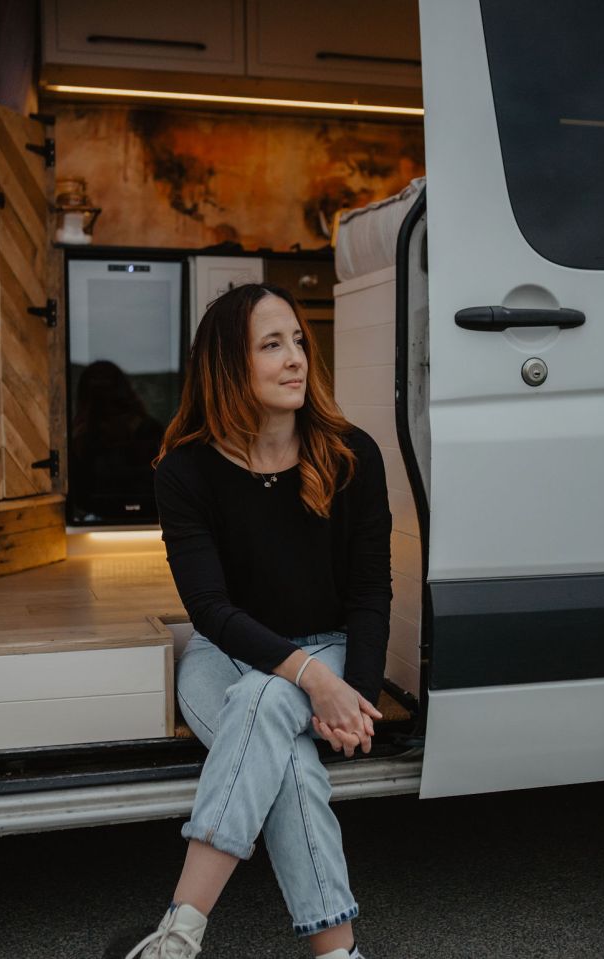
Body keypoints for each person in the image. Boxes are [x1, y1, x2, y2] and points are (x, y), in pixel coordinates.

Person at [127, 283, 392, 959]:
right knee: (279, 733)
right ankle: (340, 955)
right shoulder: (185, 472)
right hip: (224, 654)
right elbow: (210, 610)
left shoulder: (352, 455)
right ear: (228, 365)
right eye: (272, 345)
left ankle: (178, 936)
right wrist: (312, 681)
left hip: (328, 648)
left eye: (298, 341)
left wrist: (352, 689)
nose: (296, 357)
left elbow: (369, 593)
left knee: (266, 707)